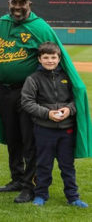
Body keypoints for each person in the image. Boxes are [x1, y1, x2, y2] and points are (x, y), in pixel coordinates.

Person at [0, 0, 92, 203]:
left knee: (29, 141)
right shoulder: (1, 24)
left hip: (29, 94)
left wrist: (69, 87)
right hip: (6, 92)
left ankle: (30, 185)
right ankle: (16, 178)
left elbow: (56, 56)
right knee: (13, 138)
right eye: (14, 2)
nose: (17, 6)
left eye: (22, 2)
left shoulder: (40, 26)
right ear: (9, 3)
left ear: (29, 4)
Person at [21, 42, 88, 208]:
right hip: (44, 129)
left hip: (66, 129)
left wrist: (69, 110)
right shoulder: (33, 79)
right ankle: (41, 194)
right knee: (44, 164)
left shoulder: (68, 76)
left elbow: (76, 99)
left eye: (53, 57)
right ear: (39, 59)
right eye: (46, 57)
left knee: (67, 165)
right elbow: (27, 102)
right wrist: (47, 114)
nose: (50, 60)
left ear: (59, 58)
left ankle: (73, 196)